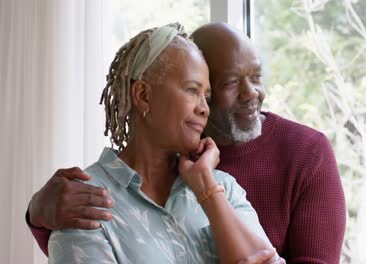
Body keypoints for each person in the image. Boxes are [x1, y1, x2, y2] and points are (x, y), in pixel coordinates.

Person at [27, 22, 346, 263]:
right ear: (143, 95)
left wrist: (208, 187)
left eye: (205, 94)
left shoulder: (228, 184)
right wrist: (37, 211)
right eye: (229, 83)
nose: (252, 94)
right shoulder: (88, 201)